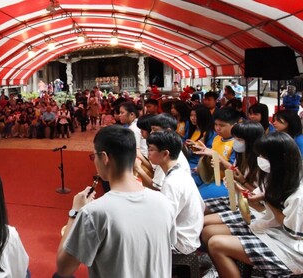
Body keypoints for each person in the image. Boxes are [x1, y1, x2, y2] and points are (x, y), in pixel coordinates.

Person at [56, 125, 176, 277]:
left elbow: (63, 268)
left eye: (94, 156)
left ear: (104, 158)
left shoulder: (94, 212)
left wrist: (75, 213)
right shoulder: (164, 202)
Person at [203, 132, 303, 277]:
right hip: (271, 228)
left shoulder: (297, 193)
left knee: (215, 244)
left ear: (278, 158)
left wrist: (266, 199)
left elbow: (292, 230)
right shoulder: (275, 174)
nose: (260, 160)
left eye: (264, 156)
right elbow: (258, 202)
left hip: (290, 246)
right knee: (209, 233)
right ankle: (222, 267)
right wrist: (241, 191)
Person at [146, 130, 205, 254]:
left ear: (165, 154)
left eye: (151, 149)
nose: (148, 152)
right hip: (188, 234)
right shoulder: (178, 172)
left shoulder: (172, 182)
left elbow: (164, 221)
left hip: (180, 242)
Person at [193, 107, 240, 199]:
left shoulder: (237, 144)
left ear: (234, 125)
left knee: (197, 197)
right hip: (211, 176)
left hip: (225, 181)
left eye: (222, 125)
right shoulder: (216, 138)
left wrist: (215, 155)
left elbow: (233, 170)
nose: (217, 128)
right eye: (216, 124)